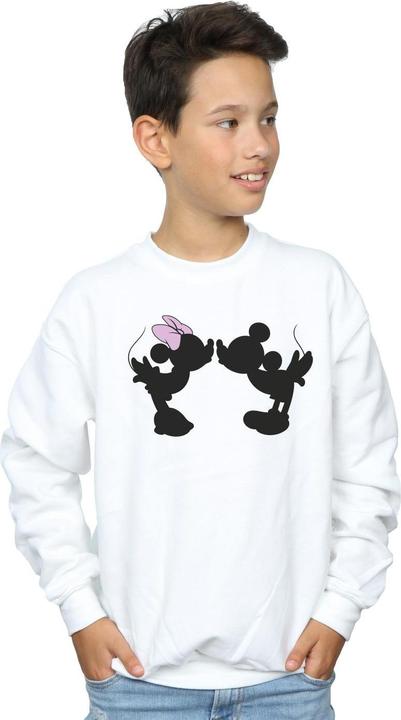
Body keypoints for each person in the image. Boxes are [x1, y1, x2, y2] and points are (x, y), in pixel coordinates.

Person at [1, 3, 400, 718]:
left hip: (289, 683)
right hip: (138, 685)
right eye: (228, 122)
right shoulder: (96, 301)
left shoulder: (319, 286)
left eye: (268, 118)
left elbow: (369, 464)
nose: (260, 145)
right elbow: (35, 458)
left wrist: (342, 607)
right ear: (156, 138)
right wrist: (78, 607)